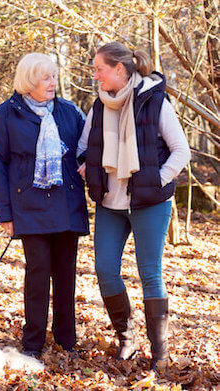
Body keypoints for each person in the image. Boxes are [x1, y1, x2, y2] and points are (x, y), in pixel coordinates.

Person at [77, 42, 191, 371]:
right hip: (110, 203)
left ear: (120, 70)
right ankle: (126, 338)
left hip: (150, 203)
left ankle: (160, 352)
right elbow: (83, 148)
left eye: (100, 68)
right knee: (105, 270)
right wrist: (87, 164)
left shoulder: (155, 101)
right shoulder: (99, 107)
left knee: (150, 274)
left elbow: (180, 151)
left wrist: (157, 180)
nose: (95, 74)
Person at [0, 53, 89, 358]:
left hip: (67, 205)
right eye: (46, 77)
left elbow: (89, 146)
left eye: (54, 76)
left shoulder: (69, 111)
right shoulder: (5, 114)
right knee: (37, 273)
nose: (53, 83)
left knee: (65, 275)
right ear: (30, 80)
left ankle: (66, 342)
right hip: (28, 207)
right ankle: (32, 345)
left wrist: (88, 164)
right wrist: (4, 213)